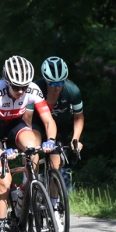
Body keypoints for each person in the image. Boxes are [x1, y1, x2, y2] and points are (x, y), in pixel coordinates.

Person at [0, 55, 57, 232]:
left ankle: (25, 191)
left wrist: (50, 140)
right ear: (7, 81)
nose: (21, 91)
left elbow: (48, 120)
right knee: (4, 180)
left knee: (33, 150)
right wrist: (1, 152)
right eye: (16, 87)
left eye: (24, 87)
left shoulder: (32, 89)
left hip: (14, 126)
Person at [27, 56, 84, 187]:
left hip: (59, 126)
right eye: (52, 83)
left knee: (56, 164)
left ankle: (54, 204)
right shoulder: (36, 88)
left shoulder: (72, 91)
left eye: (60, 83)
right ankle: (30, 183)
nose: (56, 87)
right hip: (37, 123)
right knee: (33, 153)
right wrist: (30, 140)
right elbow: (27, 117)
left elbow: (78, 117)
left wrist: (75, 139)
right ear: (45, 80)